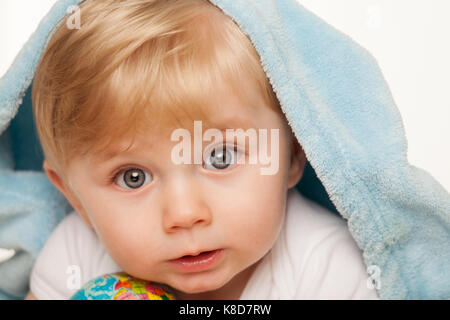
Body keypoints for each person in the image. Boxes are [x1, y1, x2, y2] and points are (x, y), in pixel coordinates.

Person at [24, 0, 379, 300]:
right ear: (73, 195)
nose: (184, 213)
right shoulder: (71, 258)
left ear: (293, 155)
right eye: (133, 178)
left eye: (220, 157)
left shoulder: (330, 271)